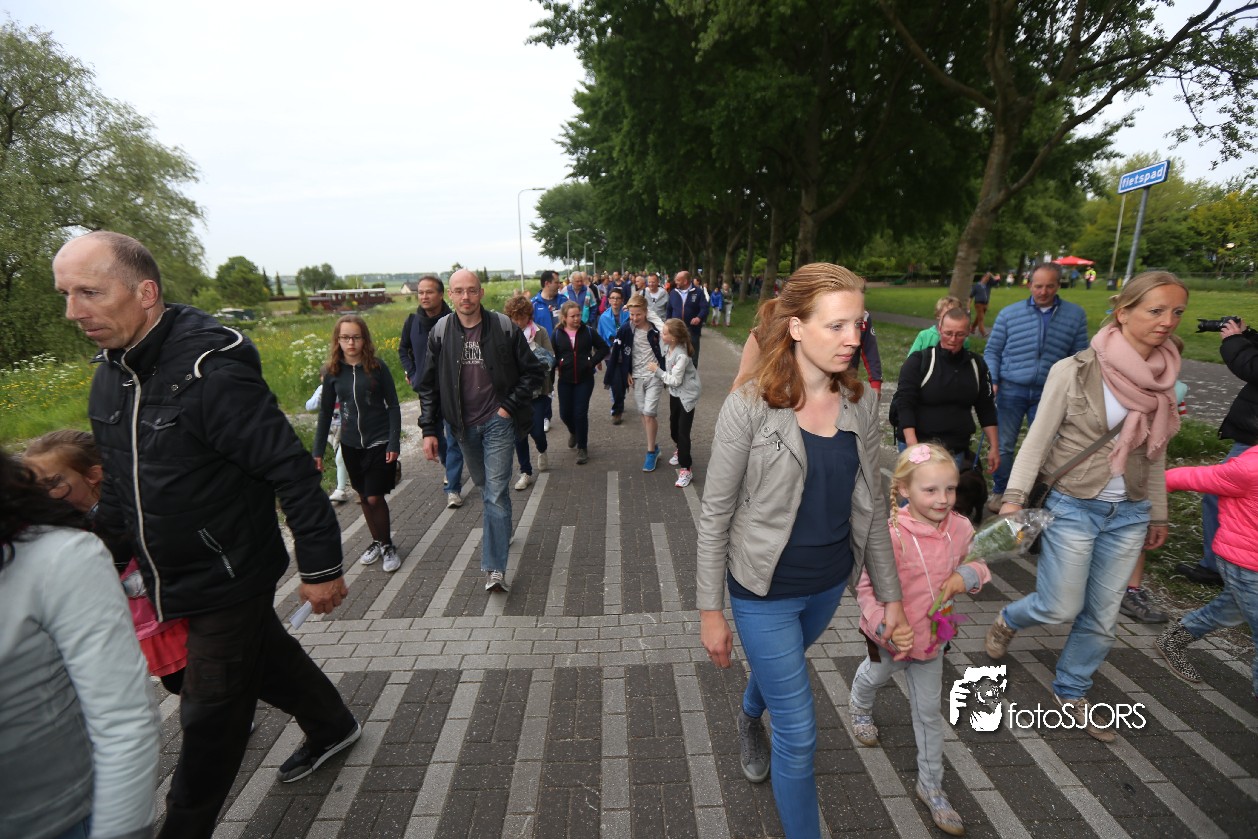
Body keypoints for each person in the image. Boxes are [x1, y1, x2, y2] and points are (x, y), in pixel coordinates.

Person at [55, 231, 359, 839]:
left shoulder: (210, 374)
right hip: (173, 572)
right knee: (267, 659)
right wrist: (94, 559)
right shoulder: (111, 375)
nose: (72, 311)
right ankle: (333, 726)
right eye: (66, 294)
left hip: (229, 573)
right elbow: (121, 485)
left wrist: (321, 567)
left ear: (145, 292)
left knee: (209, 714)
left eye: (89, 292)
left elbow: (291, 470)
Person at [697, 263, 907, 839]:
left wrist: (890, 597)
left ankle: (749, 710)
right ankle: (761, 733)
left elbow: (871, 506)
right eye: (836, 326)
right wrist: (711, 611)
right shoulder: (748, 406)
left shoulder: (860, 404)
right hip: (763, 591)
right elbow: (715, 514)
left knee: (779, 669)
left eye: (858, 324)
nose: (853, 338)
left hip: (827, 584)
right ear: (795, 327)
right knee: (800, 733)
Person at [985, 271, 1185, 742]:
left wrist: (1157, 511)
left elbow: (1155, 452)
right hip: (1074, 505)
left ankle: (1072, 689)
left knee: (1103, 612)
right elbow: (1037, 440)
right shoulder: (1075, 369)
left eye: (1177, 312)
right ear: (1123, 311)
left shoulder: (1166, 376)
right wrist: (1013, 499)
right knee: (1060, 604)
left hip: (1129, 511)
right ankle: (1010, 618)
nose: (1167, 321)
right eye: (1156, 310)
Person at [0, 451, 160, 839]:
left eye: (56, 481)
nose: (51, 491)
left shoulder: (57, 555)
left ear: (93, 476)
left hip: (54, 816)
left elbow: (124, 720)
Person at [850, 443, 989, 836]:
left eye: (950, 489)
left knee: (928, 713)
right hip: (888, 639)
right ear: (904, 489)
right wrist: (884, 625)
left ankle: (931, 785)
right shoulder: (890, 534)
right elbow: (865, 587)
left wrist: (968, 576)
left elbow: (979, 563)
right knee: (875, 675)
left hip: (931, 643)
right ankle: (859, 705)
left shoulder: (961, 528)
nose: (943, 499)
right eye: (931, 490)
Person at [24, 430, 189, 694]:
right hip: (135, 620)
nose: (44, 494)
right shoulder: (61, 520)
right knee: (182, 682)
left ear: (93, 475)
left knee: (194, 679)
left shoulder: (131, 510)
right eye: (35, 486)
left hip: (169, 616)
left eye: (52, 482)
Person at [418, 269, 543, 593]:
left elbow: (534, 372)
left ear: (481, 293)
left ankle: (495, 570)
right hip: (462, 427)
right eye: (459, 291)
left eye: (472, 290)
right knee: (487, 487)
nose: (466, 297)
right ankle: (503, 528)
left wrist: (507, 407)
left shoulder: (503, 327)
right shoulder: (440, 332)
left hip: (498, 422)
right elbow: (428, 385)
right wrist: (429, 429)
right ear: (450, 295)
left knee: (496, 493)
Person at [983, 262, 1089, 510]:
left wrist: (1074, 388)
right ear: (1029, 285)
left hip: (1050, 392)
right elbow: (993, 351)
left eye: (1049, 286)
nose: (1043, 292)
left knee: (1046, 447)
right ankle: (1001, 491)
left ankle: (1036, 495)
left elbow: (1081, 357)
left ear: (1058, 285)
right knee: (1004, 444)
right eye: (1038, 286)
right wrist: (993, 380)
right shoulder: (1009, 314)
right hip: (1011, 389)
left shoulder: (1075, 315)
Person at [1156, 445, 1258, 697]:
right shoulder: (1248, 469)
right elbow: (1187, 477)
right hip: (1245, 565)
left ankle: (1174, 639)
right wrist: (1151, 496)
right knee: (1237, 606)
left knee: (1232, 608)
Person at [314, 315, 402, 572]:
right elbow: (325, 413)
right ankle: (377, 541)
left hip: (379, 440)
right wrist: (317, 451)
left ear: (364, 339)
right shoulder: (332, 372)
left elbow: (394, 406)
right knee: (363, 496)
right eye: (345, 337)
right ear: (337, 340)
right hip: (351, 443)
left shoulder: (377, 367)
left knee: (374, 497)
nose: (350, 343)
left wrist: (393, 442)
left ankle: (388, 546)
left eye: (356, 337)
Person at [1175, 317, 1256, 586]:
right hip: (1251, 434)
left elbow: (1252, 367)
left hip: (1253, 438)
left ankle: (1217, 567)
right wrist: (1248, 335)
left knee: (1217, 491)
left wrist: (1233, 341)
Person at [891, 308, 999, 474]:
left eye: (960, 334)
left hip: (956, 448)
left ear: (968, 332)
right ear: (940, 329)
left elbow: (986, 407)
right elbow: (905, 403)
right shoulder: (919, 361)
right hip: (920, 444)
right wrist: (912, 445)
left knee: (947, 490)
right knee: (920, 489)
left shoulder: (977, 365)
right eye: (948, 333)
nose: (953, 339)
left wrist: (994, 446)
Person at [400, 275, 466, 508]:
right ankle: (449, 467)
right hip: (427, 391)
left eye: (429, 292)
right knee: (435, 436)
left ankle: (453, 488)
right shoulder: (412, 322)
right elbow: (403, 349)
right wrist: (413, 373)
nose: (424, 296)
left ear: (441, 294)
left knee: (454, 437)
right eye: (420, 292)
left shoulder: (454, 321)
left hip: (453, 390)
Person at [609, 294, 667, 471]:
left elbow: (666, 331)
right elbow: (621, 352)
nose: (634, 318)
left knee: (649, 413)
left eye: (639, 314)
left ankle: (650, 452)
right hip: (637, 376)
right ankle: (654, 446)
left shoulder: (656, 330)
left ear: (646, 313)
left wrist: (662, 370)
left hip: (654, 375)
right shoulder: (626, 329)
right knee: (643, 413)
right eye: (632, 315)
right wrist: (627, 371)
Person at [504, 291, 555, 489]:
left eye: (522, 317)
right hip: (516, 393)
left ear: (529, 316)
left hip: (538, 391)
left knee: (537, 432)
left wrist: (532, 351)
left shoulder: (540, 332)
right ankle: (525, 472)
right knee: (519, 435)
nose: (518, 322)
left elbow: (550, 359)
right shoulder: (505, 334)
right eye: (514, 318)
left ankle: (542, 449)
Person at [551, 299, 610, 465]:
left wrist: (591, 362)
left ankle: (582, 448)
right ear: (564, 317)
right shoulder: (557, 334)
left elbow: (604, 348)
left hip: (585, 379)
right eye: (573, 316)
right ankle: (574, 432)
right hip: (565, 380)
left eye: (578, 315)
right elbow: (552, 355)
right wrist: (557, 364)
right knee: (564, 414)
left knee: (580, 413)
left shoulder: (588, 331)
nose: (577, 318)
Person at [649, 318, 702, 488]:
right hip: (675, 394)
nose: (661, 334)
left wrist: (657, 371)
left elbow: (675, 380)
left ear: (674, 337)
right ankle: (680, 449)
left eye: (664, 333)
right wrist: (640, 309)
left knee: (683, 432)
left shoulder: (682, 356)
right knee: (673, 427)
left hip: (687, 395)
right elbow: (657, 321)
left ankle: (686, 469)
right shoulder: (668, 343)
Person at [305, 384, 350, 503]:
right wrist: (319, 397)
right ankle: (359, 484)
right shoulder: (322, 389)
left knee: (340, 458)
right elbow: (309, 407)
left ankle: (340, 490)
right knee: (344, 458)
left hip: (348, 428)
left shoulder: (345, 384)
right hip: (332, 430)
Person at [598, 287, 631, 424]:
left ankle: (619, 401)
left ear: (622, 300)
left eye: (618, 298)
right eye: (612, 298)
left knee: (622, 382)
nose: (615, 301)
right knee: (616, 382)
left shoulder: (629, 315)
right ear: (609, 300)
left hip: (627, 353)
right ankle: (617, 412)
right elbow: (600, 338)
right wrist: (598, 358)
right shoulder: (604, 317)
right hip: (611, 355)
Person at [666, 270, 710, 367]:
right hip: (676, 331)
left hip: (692, 330)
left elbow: (705, 308)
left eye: (678, 280)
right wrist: (667, 324)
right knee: (674, 355)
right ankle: (675, 375)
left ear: (685, 281)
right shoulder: (673, 293)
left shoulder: (698, 292)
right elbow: (669, 309)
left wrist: (699, 318)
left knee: (692, 356)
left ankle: (691, 375)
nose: (675, 282)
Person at [970, 272, 992, 337]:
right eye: (986, 278)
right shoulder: (976, 286)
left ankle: (972, 328)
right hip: (978, 304)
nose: (987, 279)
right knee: (981, 318)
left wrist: (991, 275)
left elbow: (997, 280)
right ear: (983, 277)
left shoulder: (988, 285)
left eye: (988, 278)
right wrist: (969, 304)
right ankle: (983, 332)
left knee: (978, 317)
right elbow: (971, 295)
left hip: (985, 304)